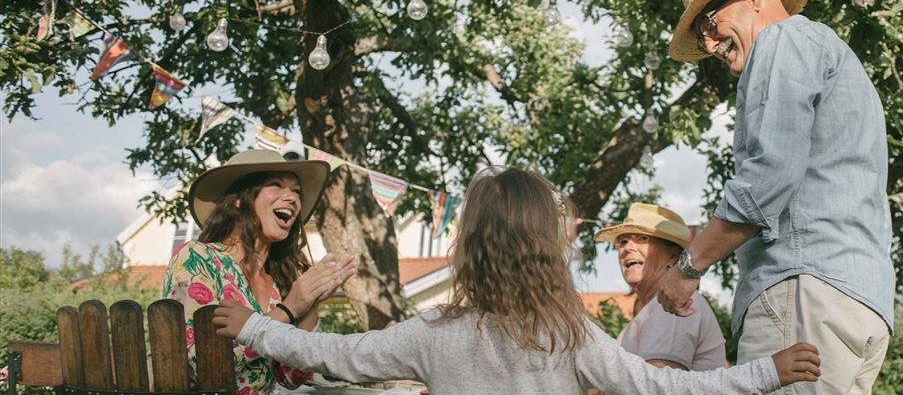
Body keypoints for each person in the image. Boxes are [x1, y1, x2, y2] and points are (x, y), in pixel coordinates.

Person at [212, 167, 822, 394]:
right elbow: (659, 390)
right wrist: (766, 370)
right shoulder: (568, 333)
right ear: (544, 251)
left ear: (471, 246)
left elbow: (336, 355)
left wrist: (255, 328)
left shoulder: (433, 331)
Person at [657, 0, 896, 394]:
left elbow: (768, 176)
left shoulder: (781, 41)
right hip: (859, 297)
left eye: (709, 23)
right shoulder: (832, 52)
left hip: (803, 289)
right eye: (700, 36)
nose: (710, 43)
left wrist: (689, 267)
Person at [163, 149, 357, 394]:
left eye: (296, 191)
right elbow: (201, 363)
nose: (292, 198)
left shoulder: (279, 281)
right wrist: (289, 309)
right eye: (276, 185)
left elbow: (289, 377)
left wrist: (312, 302)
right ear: (239, 198)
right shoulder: (196, 258)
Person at [595, 203, 726, 371]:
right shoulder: (650, 312)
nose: (627, 248)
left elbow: (656, 385)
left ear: (673, 255)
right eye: (623, 241)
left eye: (643, 239)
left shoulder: (676, 306)